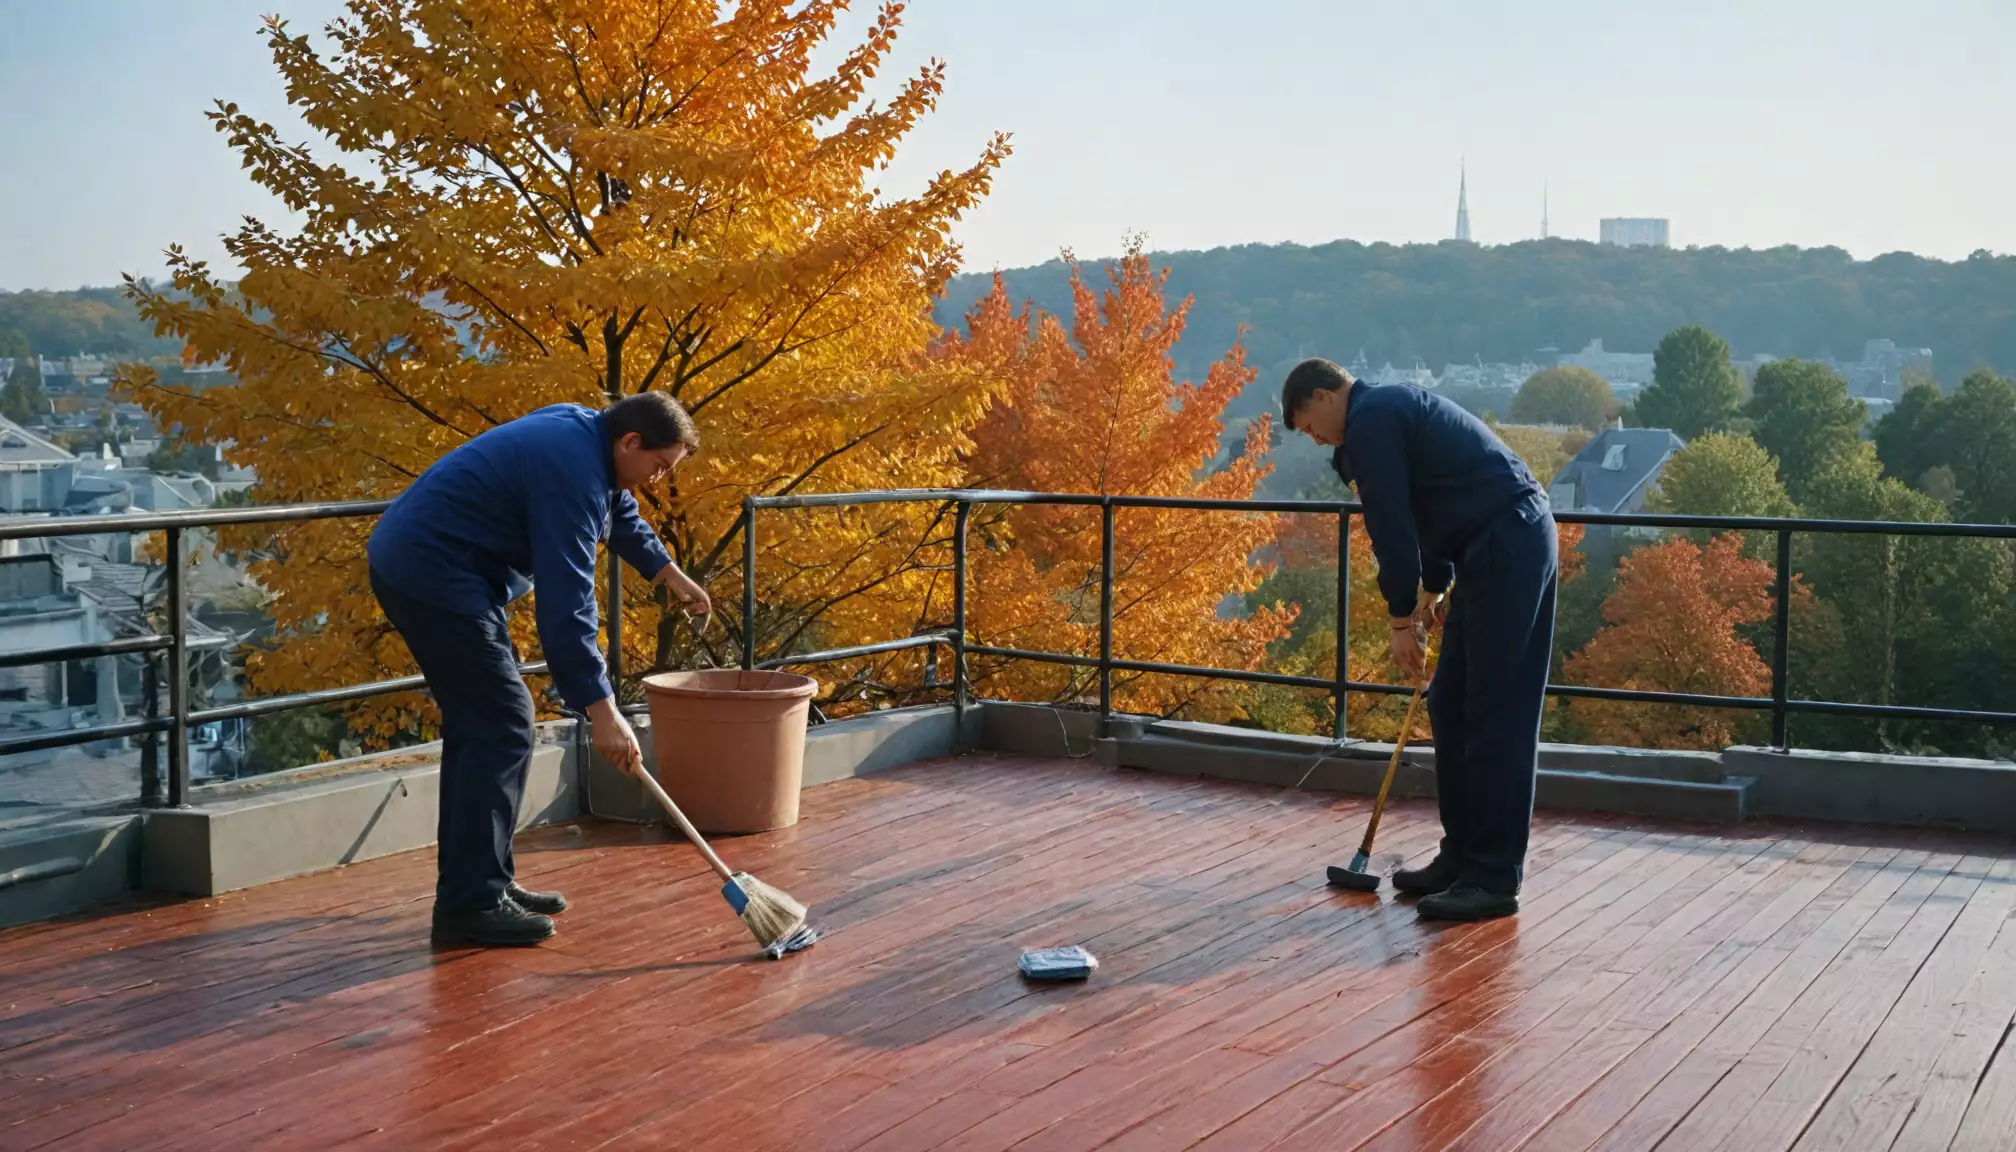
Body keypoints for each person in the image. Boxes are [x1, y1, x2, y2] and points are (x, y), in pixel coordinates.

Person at [368, 393, 711, 946]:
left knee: (483, 727)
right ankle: (468, 905)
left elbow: (617, 507)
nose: (655, 479)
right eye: (659, 466)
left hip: (444, 568)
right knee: (503, 722)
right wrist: (602, 710)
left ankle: (485, 881)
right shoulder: (569, 474)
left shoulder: (586, 433)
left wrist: (668, 573)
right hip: (431, 573)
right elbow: (567, 604)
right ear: (631, 442)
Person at [1281, 358, 1557, 921]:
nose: (1316, 439)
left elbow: (1391, 524)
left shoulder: (1373, 419)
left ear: (1326, 395)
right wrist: (1435, 585)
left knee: (1496, 713)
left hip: (1510, 541)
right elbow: (1426, 504)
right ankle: (1460, 856)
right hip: (1489, 548)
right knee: (1451, 703)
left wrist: (1401, 619)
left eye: (1311, 425)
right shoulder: (1383, 416)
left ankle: (1494, 876)